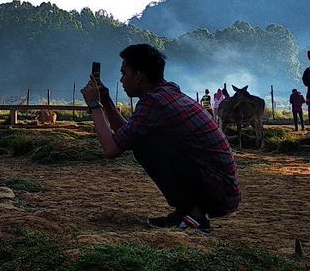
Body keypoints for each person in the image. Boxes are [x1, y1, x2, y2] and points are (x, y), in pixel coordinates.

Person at [82, 44, 240, 234]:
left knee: (143, 145)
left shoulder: (154, 102)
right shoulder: (166, 94)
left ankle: (194, 213)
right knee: (141, 140)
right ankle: (186, 212)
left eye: (124, 74)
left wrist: (94, 104)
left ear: (139, 76)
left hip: (218, 193)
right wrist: (106, 101)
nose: (122, 80)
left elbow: (111, 149)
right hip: (221, 187)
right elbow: (127, 134)